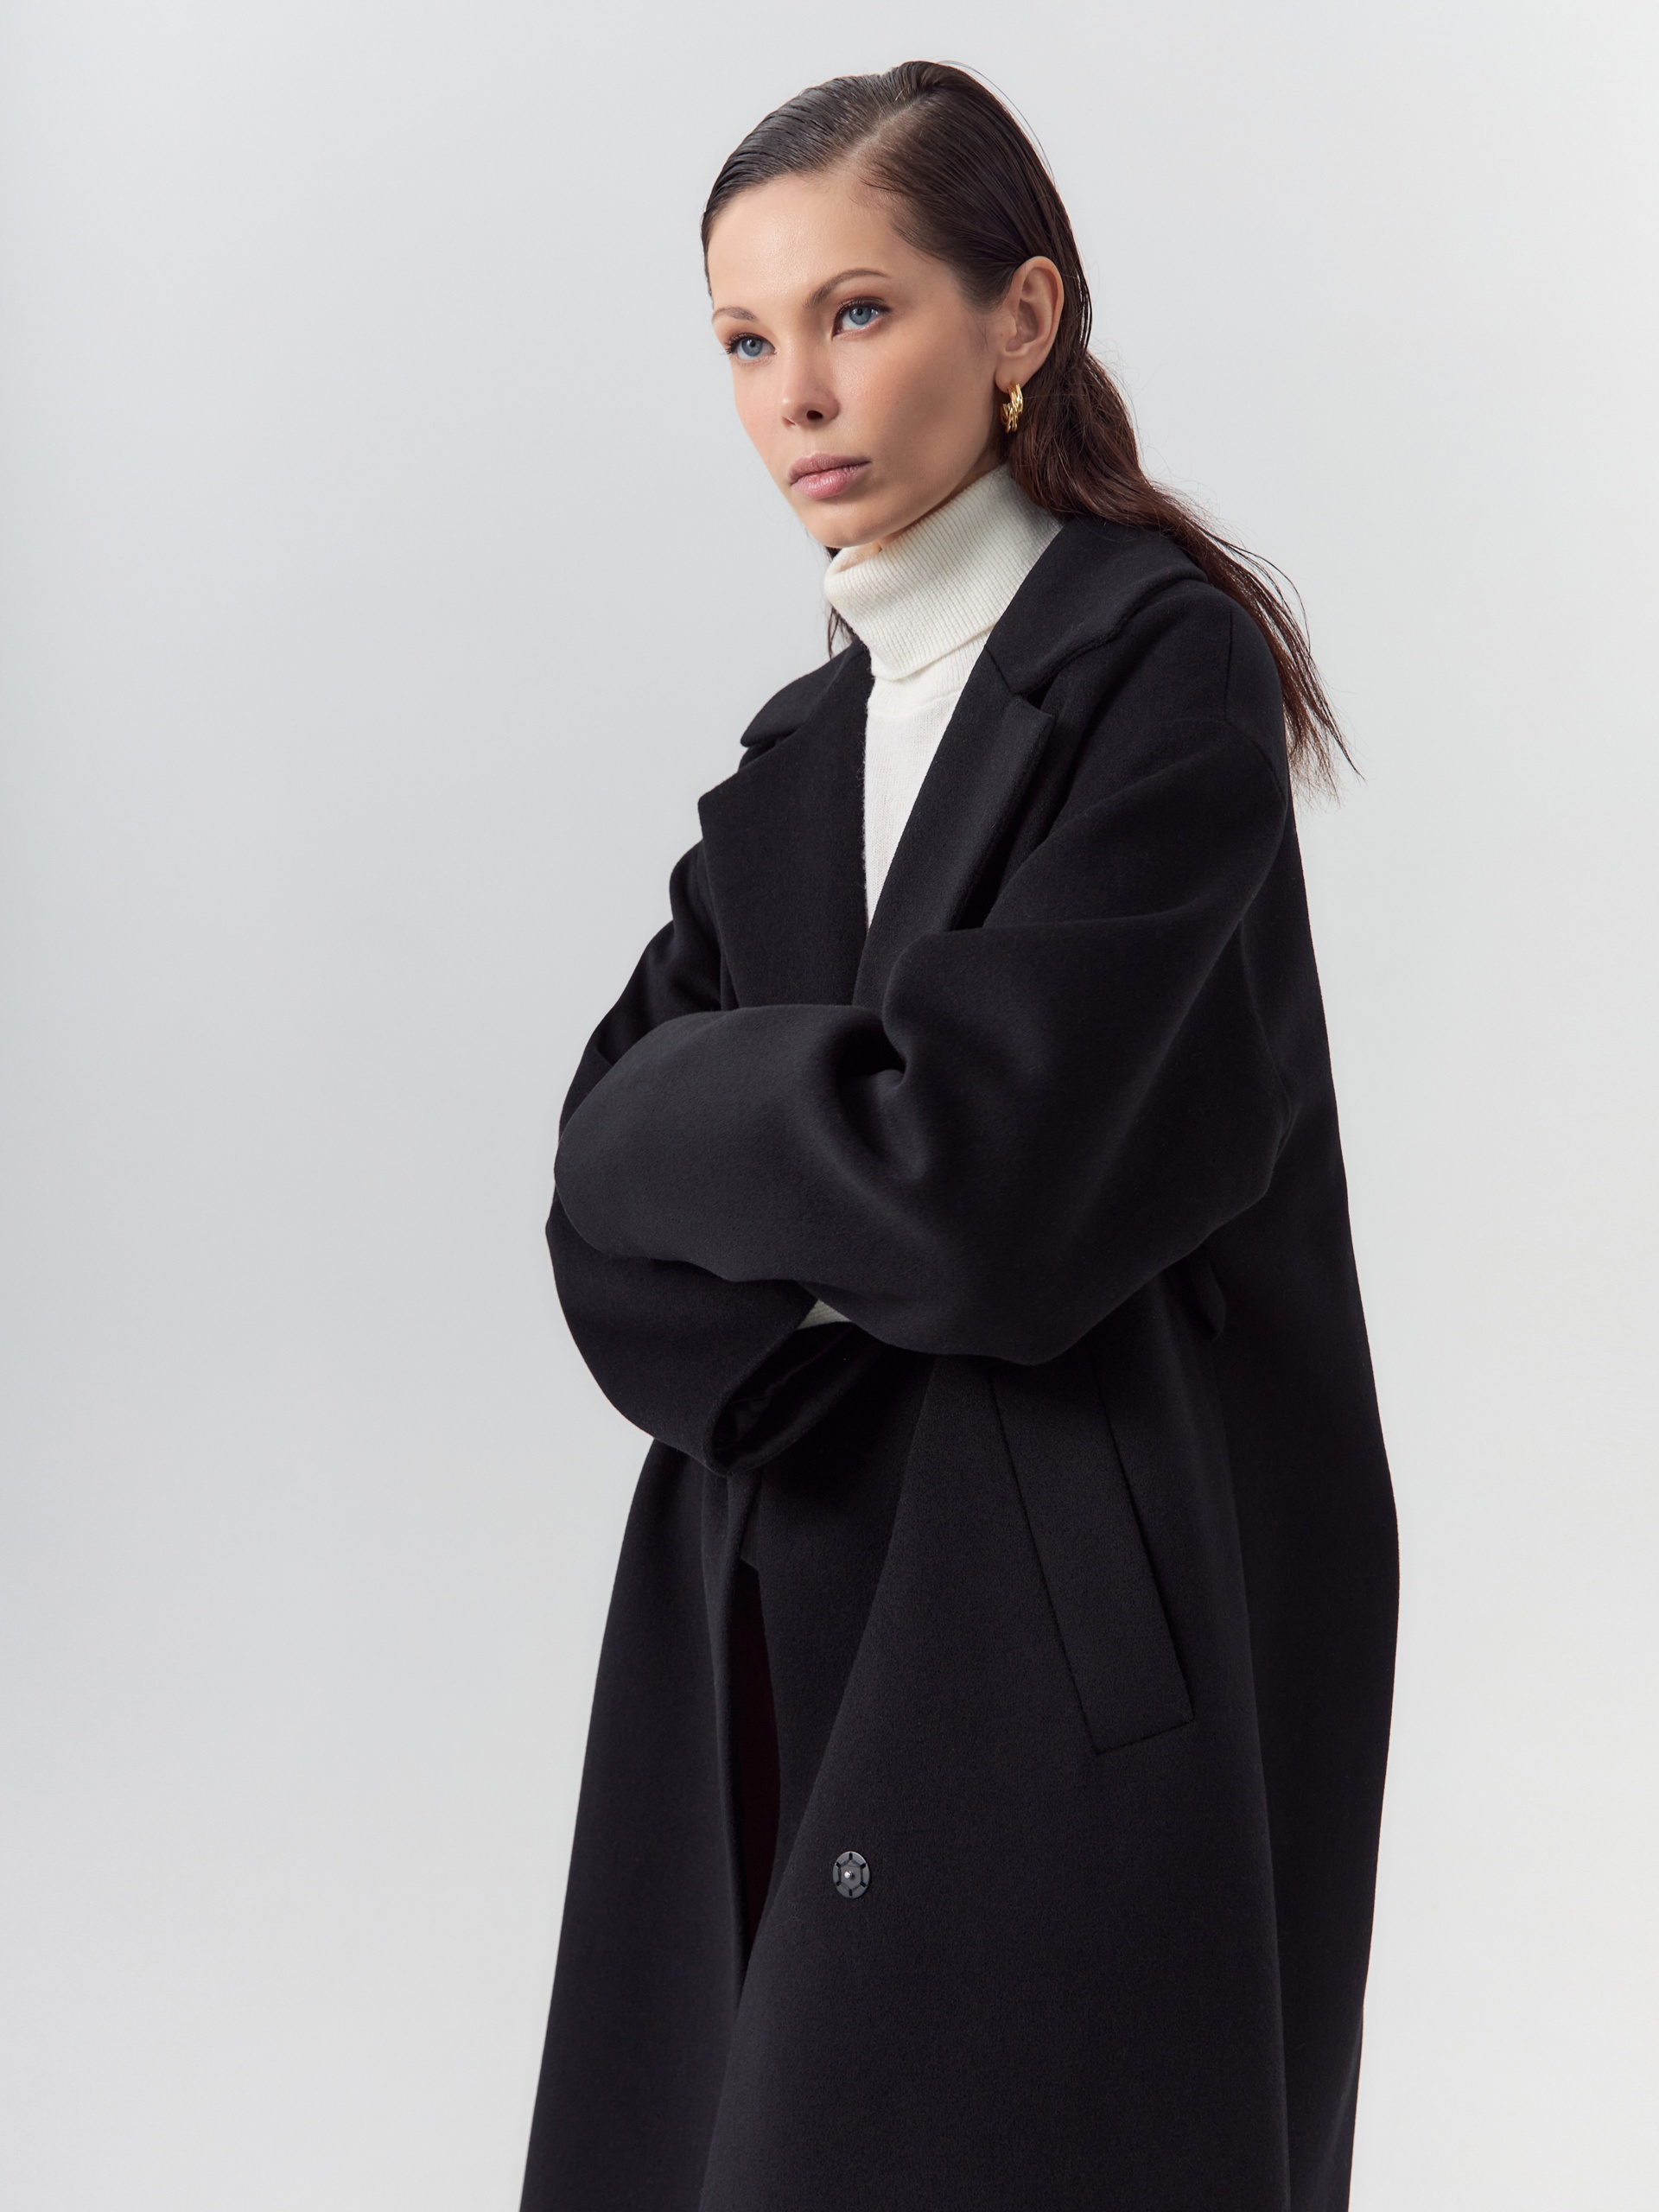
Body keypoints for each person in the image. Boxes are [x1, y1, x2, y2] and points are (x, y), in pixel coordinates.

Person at [521, 60, 1397, 2212]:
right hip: (769, 1599)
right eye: (746, 341)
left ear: (1021, 318)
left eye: (857, 312)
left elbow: (983, 1200)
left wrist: (753, 1160)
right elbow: (592, 1205)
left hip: (1049, 1643)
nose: (799, 397)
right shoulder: (800, 752)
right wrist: (820, 1180)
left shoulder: (1157, 673)